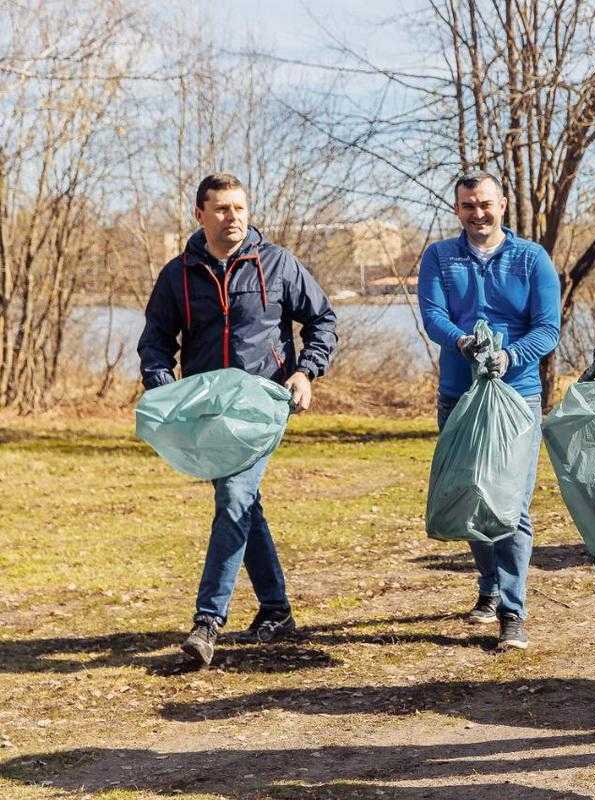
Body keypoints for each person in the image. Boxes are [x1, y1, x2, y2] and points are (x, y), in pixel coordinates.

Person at [138, 173, 338, 666]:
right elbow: (156, 341)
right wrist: (164, 387)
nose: (233, 217)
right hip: (208, 411)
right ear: (200, 214)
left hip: (262, 405)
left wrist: (305, 372)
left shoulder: (278, 264)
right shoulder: (178, 275)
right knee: (245, 505)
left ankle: (208, 622)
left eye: (240, 208)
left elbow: (323, 320)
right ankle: (276, 608)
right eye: (223, 209)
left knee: (233, 498)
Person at [417, 171, 560, 651]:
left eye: (485, 204)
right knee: (471, 497)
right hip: (459, 397)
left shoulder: (531, 259)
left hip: (516, 398)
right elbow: (433, 315)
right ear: (457, 210)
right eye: (467, 206)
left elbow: (547, 328)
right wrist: (461, 341)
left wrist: (510, 356)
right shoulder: (440, 257)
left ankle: (514, 613)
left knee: (512, 506)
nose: (478, 214)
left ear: (501, 204)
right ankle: (489, 588)